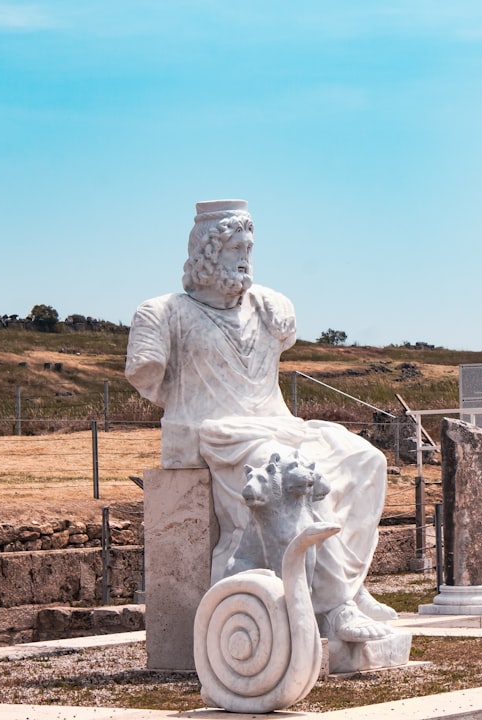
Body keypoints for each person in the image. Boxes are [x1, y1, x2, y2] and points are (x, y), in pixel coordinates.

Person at [126, 199, 394, 643]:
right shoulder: (162, 312)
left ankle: (349, 581)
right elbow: (148, 376)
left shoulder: (270, 305)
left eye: (249, 247)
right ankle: (334, 605)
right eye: (235, 247)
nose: (245, 257)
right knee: (292, 473)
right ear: (207, 254)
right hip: (217, 432)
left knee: (365, 459)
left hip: (276, 422)